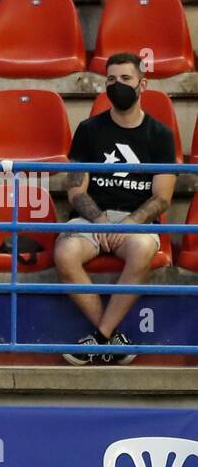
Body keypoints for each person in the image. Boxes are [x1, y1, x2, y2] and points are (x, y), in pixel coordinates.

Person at [57, 53, 176, 366]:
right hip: (91, 217)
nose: (117, 85)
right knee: (65, 253)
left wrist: (130, 223)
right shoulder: (88, 130)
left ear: (142, 83)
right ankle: (111, 340)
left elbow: (162, 197)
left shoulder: (161, 135)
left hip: (136, 222)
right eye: (111, 80)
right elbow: (74, 189)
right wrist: (99, 221)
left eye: (125, 79)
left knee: (141, 249)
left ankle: (98, 339)